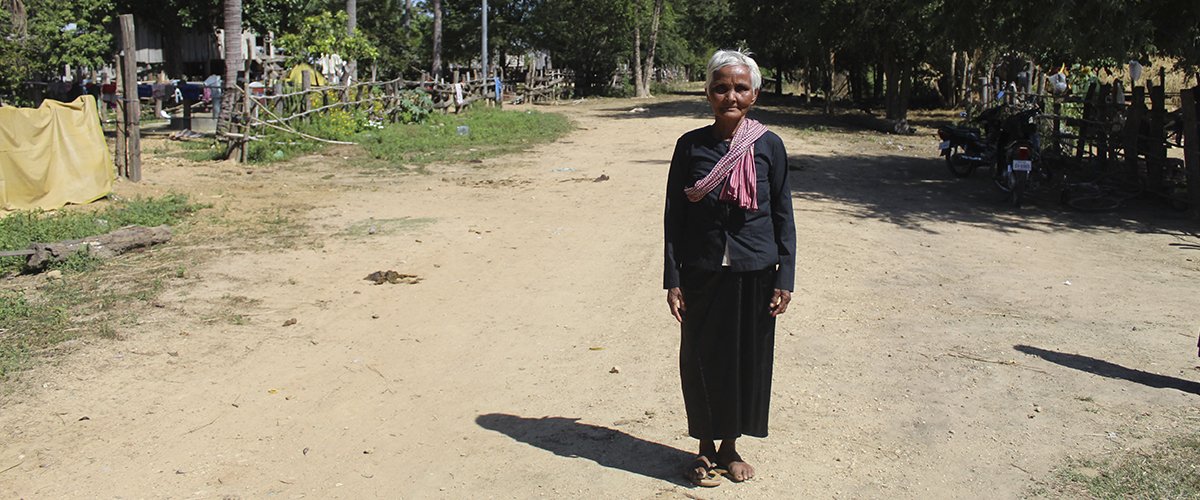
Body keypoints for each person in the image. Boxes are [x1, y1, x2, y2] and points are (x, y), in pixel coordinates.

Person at [663, 49, 796, 487]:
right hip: (701, 268)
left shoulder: (769, 145)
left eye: (740, 87)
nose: (730, 96)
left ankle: (731, 445)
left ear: (754, 94)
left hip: (754, 268)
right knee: (700, 359)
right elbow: (674, 217)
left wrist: (786, 276)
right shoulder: (691, 146)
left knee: (744, 360)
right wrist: (674, 279)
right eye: (721, 87)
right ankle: (703, 447)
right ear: (708, 93)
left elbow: (782, 214)